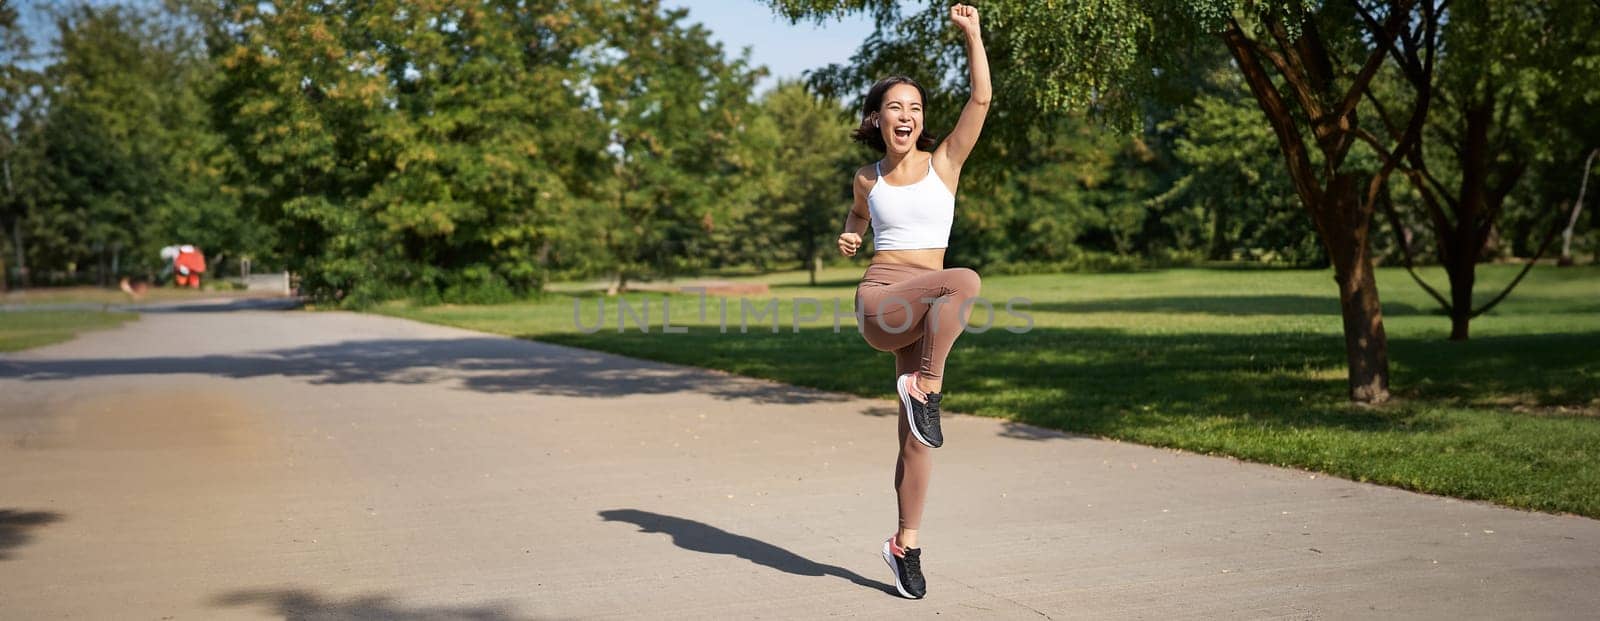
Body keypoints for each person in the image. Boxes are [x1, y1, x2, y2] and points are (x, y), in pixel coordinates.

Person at [837, 3, 990, 601]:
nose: (907, 116)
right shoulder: (867, 178)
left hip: (924, 310)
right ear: (877, 119)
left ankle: (906, 545)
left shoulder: (944, 163)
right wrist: (851, 237)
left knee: (916, 440)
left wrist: (973, 34)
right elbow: (856, 219)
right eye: (895, 107)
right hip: (882, 303)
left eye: (915, 108)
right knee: (966, 279)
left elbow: (978, 101)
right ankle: (926, 387)